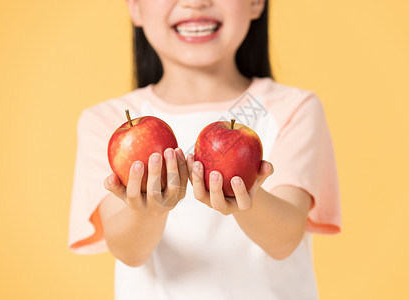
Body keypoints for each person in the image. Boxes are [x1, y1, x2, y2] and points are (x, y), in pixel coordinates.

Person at [68, 0, 342, 299]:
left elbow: (284, 240)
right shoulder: (107, 120)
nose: (195, 2)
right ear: (135, 7)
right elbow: (129, 252)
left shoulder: (290, 108)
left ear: (255, 3)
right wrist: (149, 212)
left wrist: (245, 198)